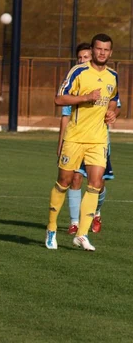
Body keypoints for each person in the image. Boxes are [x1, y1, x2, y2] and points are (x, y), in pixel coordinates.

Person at [46, 33, 119, 251]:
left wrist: (112, 113)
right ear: (93, 50)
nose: (102, 53)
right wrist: (85, 97)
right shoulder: (78, 71)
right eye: (98, 49)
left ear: (110, 52)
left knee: (95, 183)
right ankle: (51, 228)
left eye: (106, 50)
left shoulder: (113, 76)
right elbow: (59, 99)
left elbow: (114, 100)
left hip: (98, 140)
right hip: (75, 138)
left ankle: (82, 234)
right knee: (64, 182)